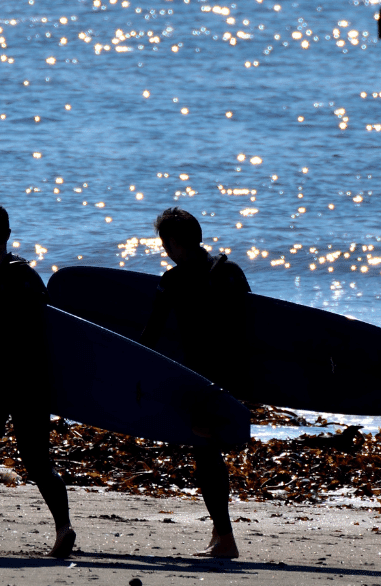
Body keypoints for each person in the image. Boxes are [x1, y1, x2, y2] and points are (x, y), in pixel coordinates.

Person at [0, 203, 75, 561]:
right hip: (33, 380)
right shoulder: (30, 278)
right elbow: (51, 330)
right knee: (39, 462)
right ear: (7, 235)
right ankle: (63, 527)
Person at [140, 207, 251, 558]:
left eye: (165, 244)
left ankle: (226, 539)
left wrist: (132, 373)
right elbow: (254, 326)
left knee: (207, 457)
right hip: (233, 378)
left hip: (202, 381)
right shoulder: (231, 272)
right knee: (211, 456)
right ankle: (221, 535)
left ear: (173, 242)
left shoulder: (173, 281)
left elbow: (151, 336)